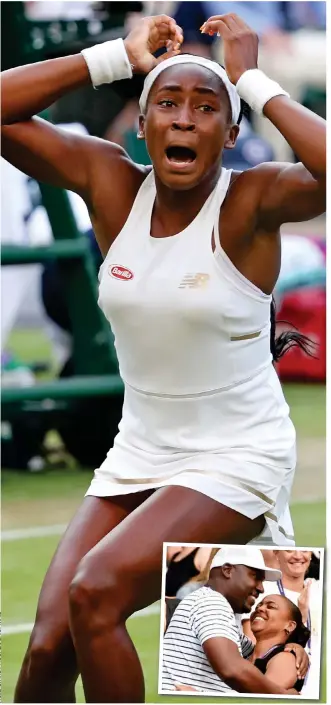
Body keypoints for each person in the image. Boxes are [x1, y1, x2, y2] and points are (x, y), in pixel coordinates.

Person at [1, 11, 325, 703]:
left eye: (206, 108)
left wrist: (252, 79)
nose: (183, 120)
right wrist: (114, 57)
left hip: (238, 453)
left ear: (231, 133)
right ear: (141, 126)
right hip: (140, 447)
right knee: (49, 648)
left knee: (95, 593)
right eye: (167, 104)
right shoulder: (111, 182)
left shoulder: (253, 197)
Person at [162, 547, 308, 694]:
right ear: (227, 570)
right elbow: (233, 670)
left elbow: (258, 652)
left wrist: (294, 646)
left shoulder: (217, 611)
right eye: (255, 576)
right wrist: (286, 697)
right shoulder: (211, 602)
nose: (261, 588)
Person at [242, 550, 322, 698]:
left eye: (305, 550)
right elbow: (255, 649)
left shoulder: (321, 590)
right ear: (276, 552)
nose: (298, 556)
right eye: (289, 550)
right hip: (275, 674)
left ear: (312, 554)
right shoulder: (263, 589)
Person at [250, 593, 310, 693]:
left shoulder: (286, 658)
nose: (260, 609)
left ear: (290, 626)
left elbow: (261, 700)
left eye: (271, 606)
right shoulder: (244, 650)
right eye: (258, 606)